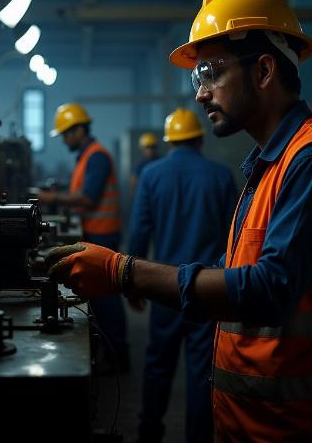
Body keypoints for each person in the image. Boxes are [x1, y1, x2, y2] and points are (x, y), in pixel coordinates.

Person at [46, 0, 312, 442]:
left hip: (308, 425)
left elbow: (269, 288)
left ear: (264, 70)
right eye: (197, 79)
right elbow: (240, 273)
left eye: (212, 72)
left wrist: (124, 272)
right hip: (261, 422)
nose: (201, 92)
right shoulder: (269, 164)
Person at [128, 108, 237, 443]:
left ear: (169, 142)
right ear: (200, 138)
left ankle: (149, 431)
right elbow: (236, 237)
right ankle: (199, 436)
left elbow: (139, 232)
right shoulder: (220, 175)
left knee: (159, 362)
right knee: (202, 370)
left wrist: (132, 283)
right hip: (209, 289)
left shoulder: (151, 174)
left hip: (166, 287)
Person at [38, 102, 129, 373]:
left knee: (107, 297)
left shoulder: (97, 156)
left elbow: (88, 198)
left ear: (79, 129)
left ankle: (118, 357)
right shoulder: (86, 156)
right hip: (96, 231)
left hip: (104, 233)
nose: (65, 139)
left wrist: (51, 198)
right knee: (101, 297)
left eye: (67, 133)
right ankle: (110, 351)